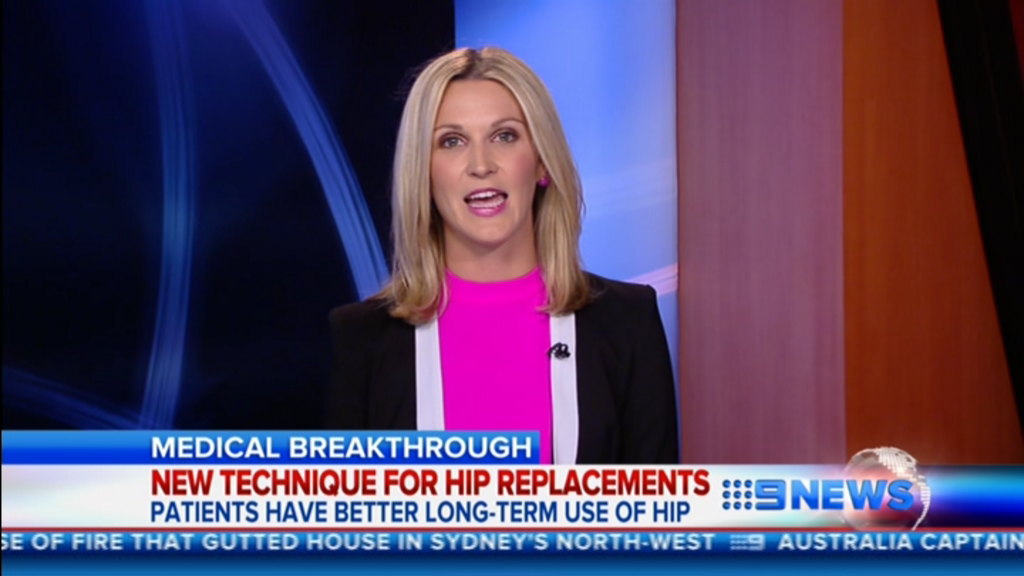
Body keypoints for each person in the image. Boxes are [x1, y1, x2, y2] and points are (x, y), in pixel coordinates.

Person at [326, 47, 678, 464]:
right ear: (423, 172)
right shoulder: (363, 339)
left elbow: (654, 502)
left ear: (541, 162)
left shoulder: (626, 322)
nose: (481, 165)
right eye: (452, 141)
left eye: (504, 136)